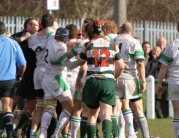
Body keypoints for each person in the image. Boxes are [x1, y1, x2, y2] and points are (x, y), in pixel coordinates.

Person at [77, 19, 124, 138]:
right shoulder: (112, 45)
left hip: (92, 80)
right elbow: (121, 66)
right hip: (107, 80)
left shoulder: (88, 44)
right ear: (104, 30)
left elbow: (80, 62)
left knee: (91, 115)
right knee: (106, 114)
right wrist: (115, 76)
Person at [113, 22, 150, 138]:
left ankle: (117, 134)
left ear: (120, 30)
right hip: (130, 79)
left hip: (116, 77)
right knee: (138, 110)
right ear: (132, 32)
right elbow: (140, 64)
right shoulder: (134, 42)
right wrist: (143, 81)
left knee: (116, 110)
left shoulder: (113, 41)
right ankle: (146, 135)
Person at [27, 14, 59, 138]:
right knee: (50, 106)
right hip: (48, 72)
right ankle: (47, 133)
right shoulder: (53, 36)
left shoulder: (32, 38)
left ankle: (32, 133)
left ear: (41, 23)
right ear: (52, 24)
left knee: (40, 106)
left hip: (37, 72)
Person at [10, 17, 39, 138]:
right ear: (28, 26)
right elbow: (10, 42)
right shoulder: (17, 36)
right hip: (19, 76)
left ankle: (19, 129)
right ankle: (5, 128)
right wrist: (24, 38)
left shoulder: (38, 37)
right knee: (12, 103)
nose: (38, 27)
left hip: (33, 77)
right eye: (35, 25)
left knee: (33, 107)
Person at [0, 21, 26, 138]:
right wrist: (19, 75)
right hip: (8, 80)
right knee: (7, 108)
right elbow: (23, 64)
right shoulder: (12, 43)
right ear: (5, 31)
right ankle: (10, 135)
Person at [156, 22, 179, 138]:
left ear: (177, 29)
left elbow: (164, 67)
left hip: (174, 81)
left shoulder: (172, 45)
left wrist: (159, 84)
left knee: (176, 112)